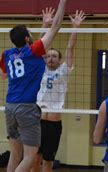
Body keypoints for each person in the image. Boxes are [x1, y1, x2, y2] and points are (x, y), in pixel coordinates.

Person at [0, 0, 74, 172]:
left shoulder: (7, 54)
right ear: (26, 39)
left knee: (15, 155)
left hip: (10, 107)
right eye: (29, 35)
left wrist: (43, 25)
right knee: (30, 157)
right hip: (27, 108)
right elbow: (55, 28)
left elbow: (3, 75)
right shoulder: (32, 52)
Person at [31, 9, 85, 172]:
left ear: (59, 59)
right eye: (48, 56)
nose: (51, 58)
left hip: (54, 123)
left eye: (54, 56)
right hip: (37, 120)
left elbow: (70, 48)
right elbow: (40, 45)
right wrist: (45, 24)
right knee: (34, 158)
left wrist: (75, 28)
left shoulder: (64, 70)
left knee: (48, 161)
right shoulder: (40, 69)